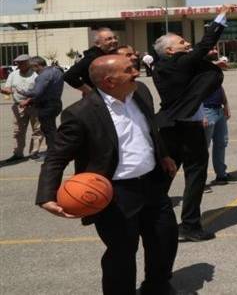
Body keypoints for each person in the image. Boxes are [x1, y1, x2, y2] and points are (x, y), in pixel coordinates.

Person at [36, 55, 179, 295]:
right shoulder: (80, 113)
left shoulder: (141, 92)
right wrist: (46, 196)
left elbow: (149, 130)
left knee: (164, 239)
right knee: (122, 252)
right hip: (114, 194)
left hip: (152, 183)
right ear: (109, 81)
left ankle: (157, 286)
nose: (136, 72)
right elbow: (56, 157)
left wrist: (163, 155)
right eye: (129, 70)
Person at [151, 5, 230, 242]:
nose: (187, 44)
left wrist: (212, 68)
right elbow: (205, 45)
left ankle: (150, 220)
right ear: (170, 50)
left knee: (163, 177)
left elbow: (189, 83)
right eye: (182, 42)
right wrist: (222, 15)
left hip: (169, 126)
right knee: (195, 176)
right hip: (186, 129)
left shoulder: (162, 67)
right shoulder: (180, 63)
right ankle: (190, 225)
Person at [203, 48, 237, 186]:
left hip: (218, 110)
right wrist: (201, 114)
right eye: (211, 49)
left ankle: (221, 175)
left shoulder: (215, 70)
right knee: (203, 147)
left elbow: (220, 87)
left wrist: (226, 105)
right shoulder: (197, 69)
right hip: (206, 110)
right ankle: (198, 181)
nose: (215, 51)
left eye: (216, 48)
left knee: (221, 143)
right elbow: (195, 93)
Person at [19, 56, 64, 158]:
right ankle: (55, 150)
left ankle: (53, 153)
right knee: (51, 128)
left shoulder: (43, 76)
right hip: (56, 103)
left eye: (32, 67)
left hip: (47, 106)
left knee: (48, 130)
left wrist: (23, 92)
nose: (32, 70)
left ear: (37, 65)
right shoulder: (56, 71)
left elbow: (36, 92)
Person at [2, 54, 42, 163]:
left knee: (37, 130)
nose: (18, 65)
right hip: (18, 106)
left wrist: (28, 100)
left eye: (21, 63)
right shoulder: (13, 74)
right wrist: (4, 90)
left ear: (28, 63)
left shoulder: (36, 74)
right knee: (18, 131)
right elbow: (8, 89)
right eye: (17, 63)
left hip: (34, 106)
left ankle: (34, 152)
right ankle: (18, 153)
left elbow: (40, 91)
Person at [63, 27, 119, 96]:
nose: (114, 41)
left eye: (115, 38)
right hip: (98, 100)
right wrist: (91, 92)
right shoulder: (92, 58)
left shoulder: (111, 55)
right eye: (109, 39)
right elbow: (69, 76)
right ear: (98, 44)